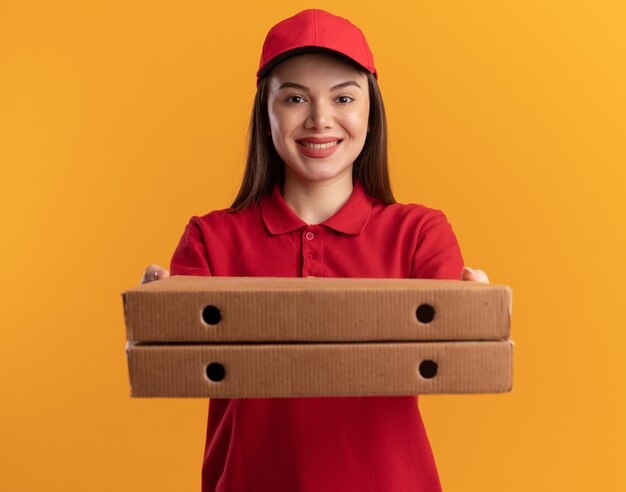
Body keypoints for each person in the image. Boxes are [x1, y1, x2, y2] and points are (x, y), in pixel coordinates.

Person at [140, 9, 489, 492]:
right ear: (266, 113)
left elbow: (455, 361)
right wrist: (157, 320)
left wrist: (476, 318)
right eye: (295, 98)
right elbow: (176, 367)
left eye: (343, 97)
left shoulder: (418, 233)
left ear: (371, 111)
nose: (320, 119)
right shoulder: (211, 239)